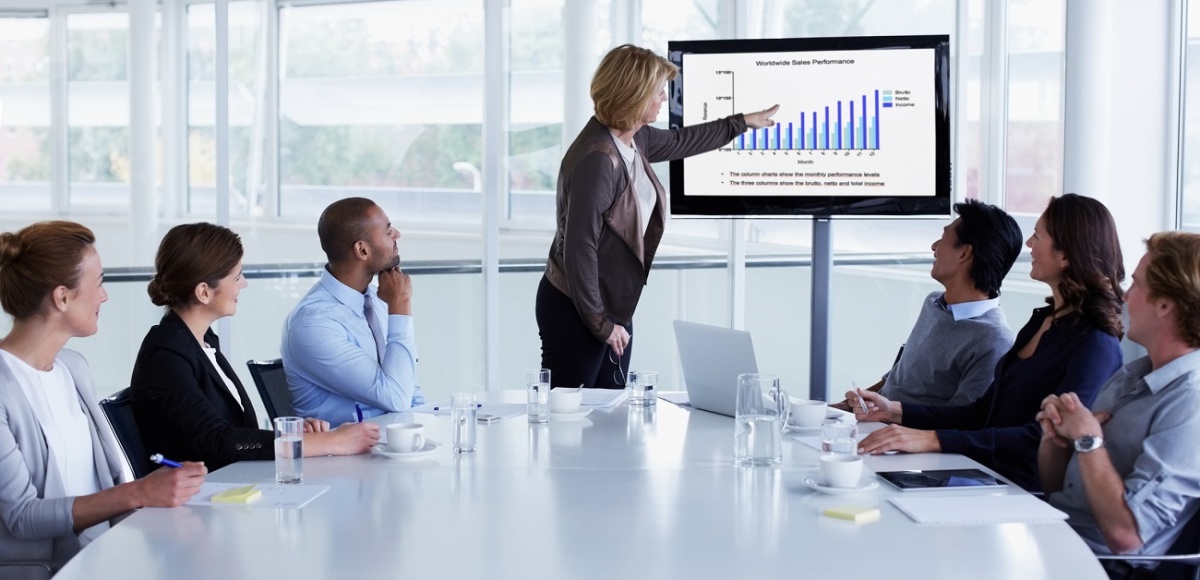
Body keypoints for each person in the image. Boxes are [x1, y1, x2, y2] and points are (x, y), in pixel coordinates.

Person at [536, 44, 780, 388]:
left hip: (606, 308)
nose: (664, 99)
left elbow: (685, 141)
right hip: (577, 308)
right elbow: (580, 251)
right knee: (572, 420)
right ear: (634, 95)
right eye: (659, 91)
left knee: (608, 418)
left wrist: (740, 123)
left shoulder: (635, 139)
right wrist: (602, 325)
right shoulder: (598, 158)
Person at [850, 194, 1125, 491]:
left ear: (1066, 255)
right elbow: (982, 412)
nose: (1029, 244)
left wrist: (931, 438)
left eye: (1038, 235)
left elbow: (1046, 436)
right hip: (991, 478)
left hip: (1018, 492)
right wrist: (895, 411)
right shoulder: (1042, 321)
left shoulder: (1096, 345)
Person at [0, 221, 205, 575]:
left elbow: (106, 481)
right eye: (98, 283)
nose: (104, 296)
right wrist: (140, 493)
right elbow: (22, 517)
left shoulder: (72, 368)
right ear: (62, 297)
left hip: (107, 556)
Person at [130, 223, 380, 472]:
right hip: (199, 498)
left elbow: (235, 434)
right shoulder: (165, 353)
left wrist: (297, 436)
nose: (244, 284)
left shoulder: (202, 340)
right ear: (204, 292)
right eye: (237, 276)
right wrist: (326, 442)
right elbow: (216, 443)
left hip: (231, 484)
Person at [1038, 232, 1200, 578]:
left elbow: (1126, 537)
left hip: (1103, 567)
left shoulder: (1191, 402)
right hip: (1056, 538)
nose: (1126, 296)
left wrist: (1088, 440)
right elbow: (1058, 491)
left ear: (1165, 304)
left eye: (1137, 286)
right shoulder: (1131, 375)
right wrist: (1056, 439)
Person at [832, 199, 1022, 409]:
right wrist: (846, 407)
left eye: (942, 238)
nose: (934, 246)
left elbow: (961, 423)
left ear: (964, 253)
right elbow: (896, 380)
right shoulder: (933, 302)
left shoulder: (994, 340)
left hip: (905, 437)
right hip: (874, 423)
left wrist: (888, 416)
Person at [282, 198, 425, 424]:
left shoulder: (376, 300)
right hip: (344, 457)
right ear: (362, 250)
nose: (397, 234)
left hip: (392, 445)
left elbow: (411, 391)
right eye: (388, 231)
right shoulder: (314, 325)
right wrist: (400, 308)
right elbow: (396, 398)